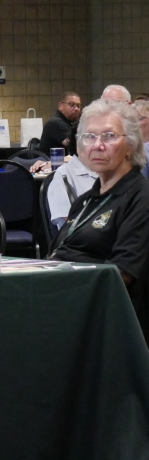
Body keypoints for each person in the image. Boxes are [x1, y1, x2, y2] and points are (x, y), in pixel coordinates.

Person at [48, 99, 149, 343]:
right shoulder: (85, 200)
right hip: (58, 298)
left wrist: (58, 287)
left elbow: (121, 273)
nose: (98, 145)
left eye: (109, 136)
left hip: (103, 316)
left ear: (130, 145)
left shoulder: (140, 198)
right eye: (89, 137)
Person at [39, 91, 82, 156]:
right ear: (60, 106)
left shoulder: (67, 122)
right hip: (51, 163)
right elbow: (72, 144)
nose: (76, 109)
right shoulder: (56, 123)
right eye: (71, 104)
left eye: (78, 106)